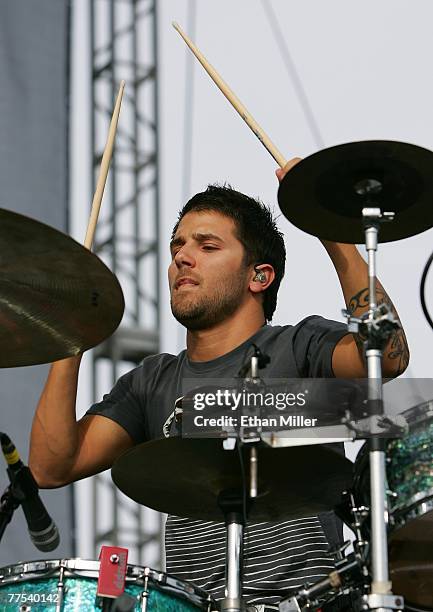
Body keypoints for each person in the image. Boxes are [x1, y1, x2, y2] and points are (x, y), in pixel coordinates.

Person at [29, 159, 409, 610]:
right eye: (177, 247)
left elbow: (387, 356)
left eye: (207, 246)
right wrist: (69, 333)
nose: (181, 258)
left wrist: (330, 228)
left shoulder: (301, 346)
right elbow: (50, 468)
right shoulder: (152, 382)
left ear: (259, 276)